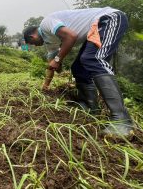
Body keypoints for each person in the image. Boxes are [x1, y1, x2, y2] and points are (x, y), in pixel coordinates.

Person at [23, 7, 134, 136]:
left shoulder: (46, 23)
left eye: (32, 43)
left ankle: (122, 120)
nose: (35, 46)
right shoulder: (50, 43)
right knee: (79, 67)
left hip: (109, 19)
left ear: (32, 36)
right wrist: (46, 84)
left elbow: (71, 36)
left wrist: (58, 59)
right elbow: (52, 66)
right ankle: (90, 107)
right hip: (96, 29)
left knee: (94, 59)